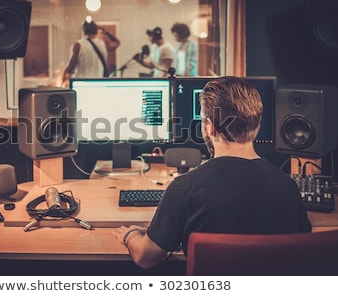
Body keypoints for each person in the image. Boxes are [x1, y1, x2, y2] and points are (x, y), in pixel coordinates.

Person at [112, 76, 312, 270]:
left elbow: (145, 258)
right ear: (256, 125)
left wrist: (130, 235)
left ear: (210, 128)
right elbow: (302, 247)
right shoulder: (287, 187)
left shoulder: (185, 189)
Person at [61, 19, 120, 87]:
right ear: (96, 31)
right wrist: (106, 32)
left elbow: (71, 67)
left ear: (84, 31)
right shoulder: (103, 44)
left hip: (81, 83)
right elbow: (117, 43)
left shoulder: (78, 45)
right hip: (98, 83)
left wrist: (63, 80)